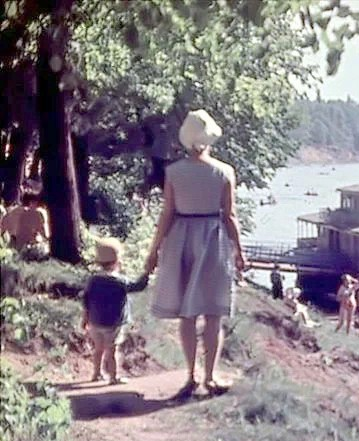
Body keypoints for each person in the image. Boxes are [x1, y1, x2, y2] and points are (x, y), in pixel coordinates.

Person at [144, 109, 245, 398]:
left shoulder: (174, 172)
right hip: (213, 238)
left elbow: (166, 214)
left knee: (187, 315)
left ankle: (190, 375)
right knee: (213, 313)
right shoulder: (224, 172)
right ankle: (210, 377)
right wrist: (239, 250)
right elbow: (230, 215)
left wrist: (154, 250)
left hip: (181, 237)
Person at [82, 238, 149, 385]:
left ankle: (96, 374)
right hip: (113, 323)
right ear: (117, 261)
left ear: (98, 262)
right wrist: (147, 272)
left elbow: (86, 299)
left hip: (95, 322)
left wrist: (85, 318)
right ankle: (113, 377)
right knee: (112, 350)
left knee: (98, 349)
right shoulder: (120, 281)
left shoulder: (93, 280)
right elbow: (138, 286)